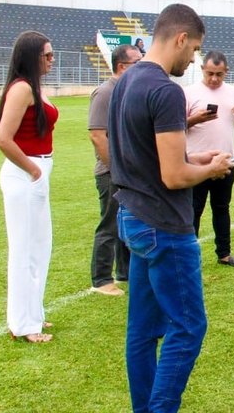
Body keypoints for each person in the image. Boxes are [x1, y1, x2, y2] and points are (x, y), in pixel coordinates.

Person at [108, 3, 233, 411]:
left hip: (133, 218)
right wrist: (209, 170)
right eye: (194, 50)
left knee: (143, 330)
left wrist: (199, 160)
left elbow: (150, 157)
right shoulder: (164, 89)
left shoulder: (125, 82)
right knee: (189, 326)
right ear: (180, 39)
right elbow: (173, 177)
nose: (194, 59)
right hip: (163, 226)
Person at [0, 30, 59, 343]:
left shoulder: (34, 86)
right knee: (24, 249)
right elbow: (3, 138)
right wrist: (33, 169)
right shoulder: (21, 89)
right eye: (46, 54)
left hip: (36, 170)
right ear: (31, 56)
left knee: (40, 246)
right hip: (24, 173)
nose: (52, 59)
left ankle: (34, 313)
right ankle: (23, 323)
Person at [87, 44, 142, 296]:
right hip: (110, 173)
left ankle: (125, 272)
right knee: (109, 225)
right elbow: (98, 136)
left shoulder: (127, 91)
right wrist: (116, 169)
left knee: (124, 223)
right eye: (137, 62)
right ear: (122, 66)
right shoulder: (105, 92)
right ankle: (101, 279)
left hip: (126, 172)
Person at [185, 50, 234, 267]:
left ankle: (224, 253)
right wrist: (194, 119)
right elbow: (175, 127)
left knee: (222, 208)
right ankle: (189, 255)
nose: (214, 79)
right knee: (193, 210)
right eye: (210, 73)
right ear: (202, 69)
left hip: (225, 162)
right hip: (197, 163)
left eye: (219, 74)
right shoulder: (189, 93)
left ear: (226, 72)